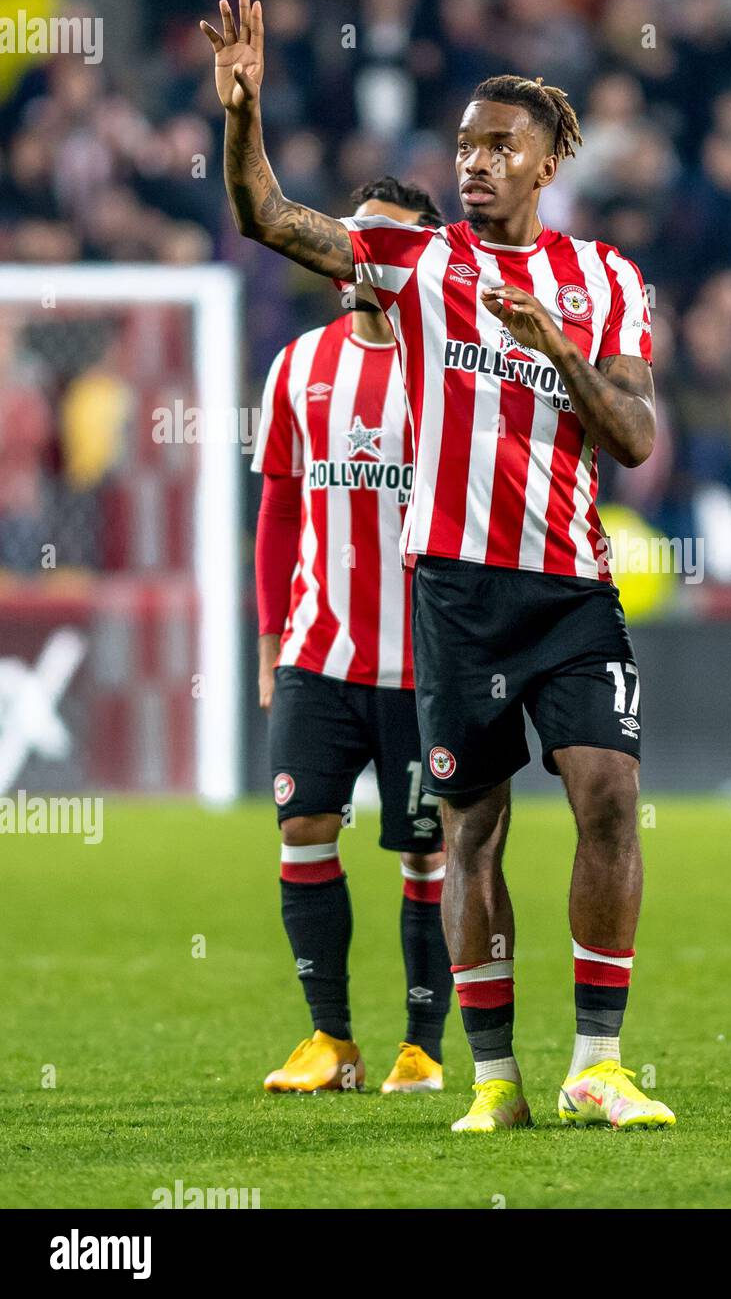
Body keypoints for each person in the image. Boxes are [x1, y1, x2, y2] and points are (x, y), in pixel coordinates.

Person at [204, 0, 674, 1131]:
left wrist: (553, 344)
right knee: (471, 828)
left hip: (569, 586)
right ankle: (496, 1080)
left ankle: (598, 1063)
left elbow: (636, 437)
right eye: (462, 145)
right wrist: (244, 111)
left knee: (608, 791)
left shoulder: (605, 280)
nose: (473, 164)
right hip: (454, 592)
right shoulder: (410, 261)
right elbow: (269, 216)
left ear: (551, 161)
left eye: (498, 146)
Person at [253, 177, 454, 1097]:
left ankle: (422, 1046)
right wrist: (268, 643)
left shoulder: (448, 375)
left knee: (426, 853)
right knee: (303, 826)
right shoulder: (296, 367)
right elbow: (280, 513)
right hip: (317, 654)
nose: (366, 255)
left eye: (390, 239)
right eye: (357, 235)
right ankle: (329, 1040)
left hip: (423, 665)